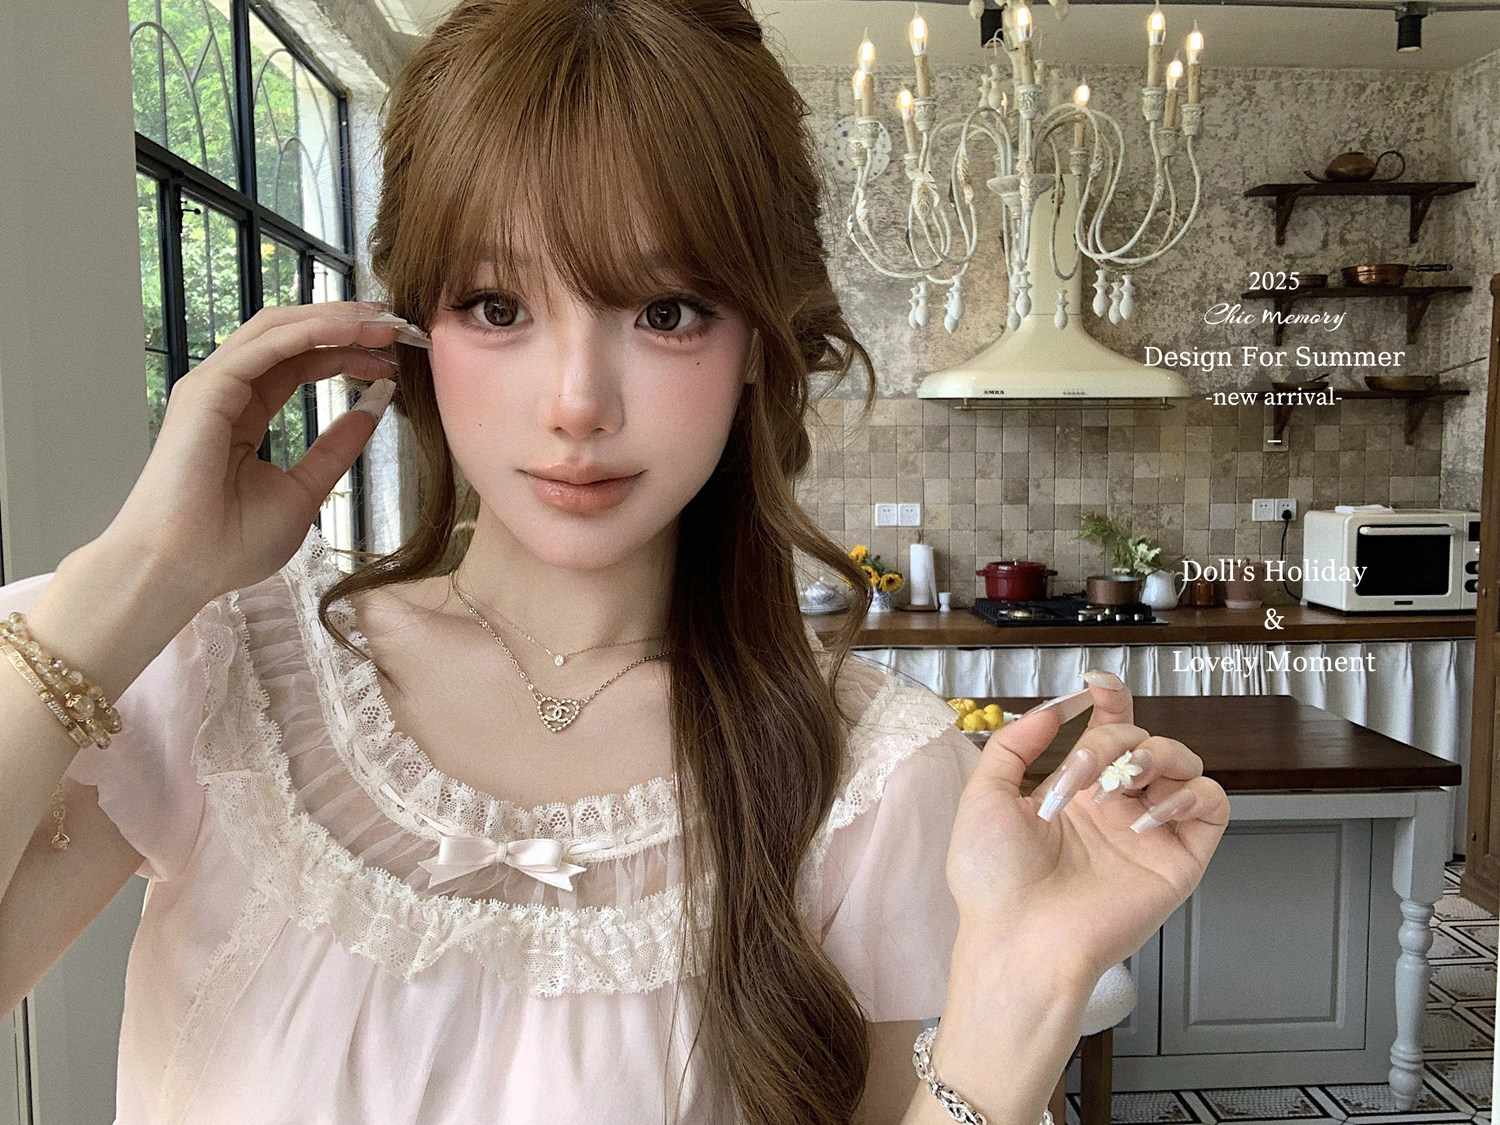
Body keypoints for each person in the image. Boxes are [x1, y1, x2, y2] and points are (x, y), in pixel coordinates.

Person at [0, 0, 1229, 1122]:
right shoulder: (232, 675)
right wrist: (142, 574)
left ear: (757, 343)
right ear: (408, 333)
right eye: (497, 307)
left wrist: (1023, 983)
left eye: (665, 311)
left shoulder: (868, 780)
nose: (577, 403)